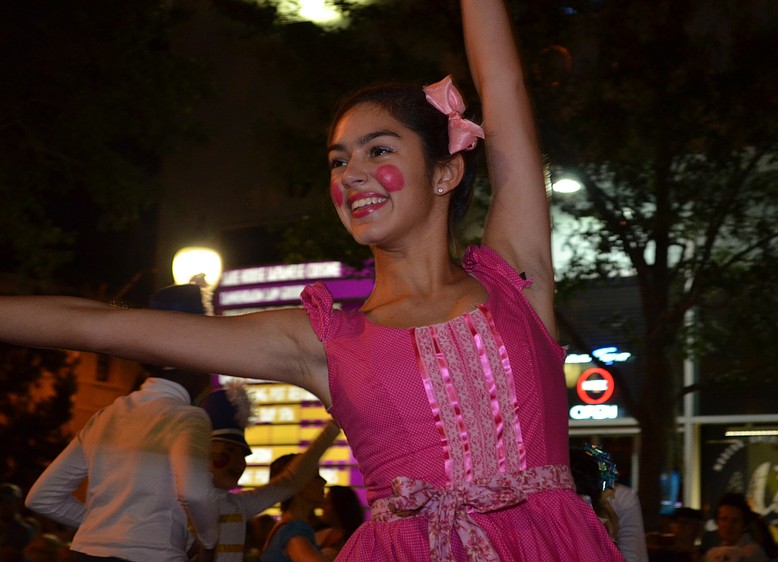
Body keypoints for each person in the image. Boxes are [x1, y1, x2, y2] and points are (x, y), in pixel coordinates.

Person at [0, 0, 624, 558]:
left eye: (379, 150)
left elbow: (504, 83)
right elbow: (102, 324)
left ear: (446, 172)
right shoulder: (324, 342)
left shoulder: (515, 277)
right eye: (339, 160)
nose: (352, 173)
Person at [24, 284, 220, 562]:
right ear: (189, 360)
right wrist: (209, 541)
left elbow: (42, 497)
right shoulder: (188, 418)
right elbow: (194, 493)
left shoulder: (105, 416)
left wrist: (104, 530)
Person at [198, 384, 340, 562]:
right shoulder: (178, 504)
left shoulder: (237, 506)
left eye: (242, 455)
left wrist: (334, 427)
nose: (237, 462)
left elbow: (291, 480)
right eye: (229, 451)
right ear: (202, 453)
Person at [260, 455, 332, 562]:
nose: (323, 481)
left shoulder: (288, 526)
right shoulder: (293, 528)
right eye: (316, 476)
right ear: (297, 484)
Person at [704, 492, 769, 562]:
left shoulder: (752, 554)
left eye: (735, 520)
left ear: (745, 525)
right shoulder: (713, 554)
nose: (728, 525)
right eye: (723, 519)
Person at [314, 486, 364, 555]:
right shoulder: (322, 533)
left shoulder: (355, 541)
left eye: (327, 503)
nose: (322, 506)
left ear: (340, 507)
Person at [0, 482, 36, 562]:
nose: (3, 506)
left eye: (8, 502)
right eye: (1, 502)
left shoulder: (25, 531)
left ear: (18, 503)